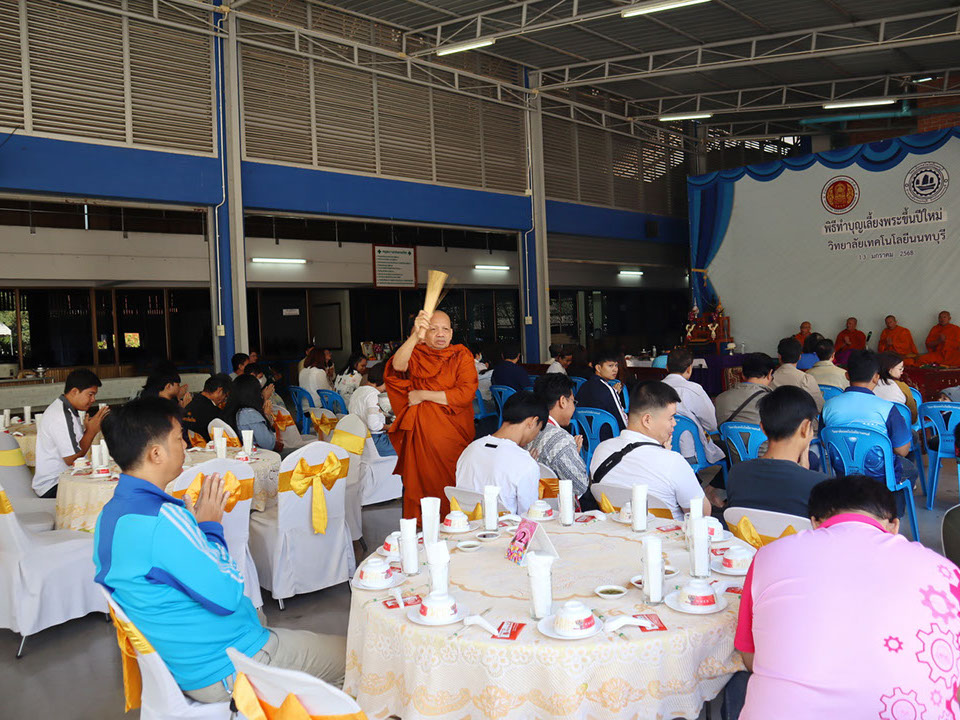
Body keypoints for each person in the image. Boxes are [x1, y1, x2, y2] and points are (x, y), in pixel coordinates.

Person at [93, 397, 345, 704]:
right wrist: (210, 526)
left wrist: (193, 531)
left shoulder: (110, 515)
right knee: (354, 657)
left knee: (260, 616)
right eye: (179, 439)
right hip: (225, 665)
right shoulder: (163, 520)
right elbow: (228, 594)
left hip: (183, 656)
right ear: (156, 453)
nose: (185, 446)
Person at [733, 475, 959, 718]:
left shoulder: (769, 555)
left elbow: (750, 657)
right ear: (894, 525)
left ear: (815, 522)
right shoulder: (947, 573)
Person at [384, 309, 478, 520]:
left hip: (453, 435)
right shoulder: (417, 353)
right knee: (423, 485)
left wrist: (423, 395)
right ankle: (425, 528)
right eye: (433, 329)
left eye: (445, 329)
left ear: (451, 333)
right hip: (423, 435)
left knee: (453, 484)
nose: (440, 334)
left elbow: (465, 394)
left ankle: (454, 524)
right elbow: (397, 366)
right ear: (425, 334)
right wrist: (415, 336)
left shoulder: (461, 355)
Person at [590, 381, 710, 521]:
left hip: (615, 531)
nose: (674, 423)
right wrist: (666, 456)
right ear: (647, 420)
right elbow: (703, 512)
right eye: (671, 417)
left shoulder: (602, 450)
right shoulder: (672, 462)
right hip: (666, 533)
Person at [821, 349, 916, 513]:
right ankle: (892, 516)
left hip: (843, 472)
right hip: (880, 478)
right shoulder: (887, 408)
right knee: (910, 469)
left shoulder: (829, 406)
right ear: (876, 377)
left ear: (847, 375)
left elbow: (824, 441)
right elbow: (902, 450)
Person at [726, 386, 825, 518]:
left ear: (762, 428)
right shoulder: (819, 484)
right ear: (805, 427)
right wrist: (805, 472)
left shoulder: (736, 473)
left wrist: (803, 471)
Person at [455, 391, 545, 516]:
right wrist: (528, 466)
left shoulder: (470, 449)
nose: (535, 436)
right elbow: (529, 515)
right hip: (505, 527)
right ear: (533, 422)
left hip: (466, 525)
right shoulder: (526, 463)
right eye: (538, 429)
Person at [33, 368, 109, 498]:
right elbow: (72, 458)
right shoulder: (61, 415)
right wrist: (91, 431)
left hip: (64, 478)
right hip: (53, 484)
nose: (93, 399)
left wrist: (87, 431)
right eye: (90, 394)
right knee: (104, 491)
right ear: (74, 391)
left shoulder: (67, 409)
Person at [528, 373, 588, 500]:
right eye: (573, 401)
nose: (574, 407)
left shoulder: (527, 428)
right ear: (562, 401)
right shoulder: (561, 439)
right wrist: (574, 455)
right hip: (557, 506)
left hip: (531, 500)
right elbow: (581, 485)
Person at [662, 348, 725, 465]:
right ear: (689, 369)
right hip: (690, 452)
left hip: (662, 451)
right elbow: (712, 425)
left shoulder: (654, 389)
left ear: (667, 367)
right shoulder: (695, 390)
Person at [714, 353, 775, 457]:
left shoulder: (720, 398)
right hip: (768, 459)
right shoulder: (774, 401)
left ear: (742, 375)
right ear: (769, 374)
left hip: (736, 461)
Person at [347, 362, 395, 457]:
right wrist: (389, 427)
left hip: (359, 440)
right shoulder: (374, 395)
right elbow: (374, 425)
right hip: (375, 443)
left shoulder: (358, 391)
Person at [575, 349, 627, 434]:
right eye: (610, 366)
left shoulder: (584, 386)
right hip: (608, 438)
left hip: (585, 438)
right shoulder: (609, 390)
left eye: (616, 365)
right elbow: (622, 421)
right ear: (598, 368)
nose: (615, 370)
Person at [228, 374, 282, 454]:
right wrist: (267, 415)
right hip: (259, 454)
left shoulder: (234, 410)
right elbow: (269, 444)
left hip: (242, 453)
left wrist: (264, 399)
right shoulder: (250, 414)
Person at [771, 337, 824, 412]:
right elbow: (819, 407)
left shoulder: (769, 379)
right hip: (800, 418)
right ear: (799, 357)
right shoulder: (806, 379)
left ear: (779, 356)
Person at [182, 374, 232, 442]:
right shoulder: (214, 413)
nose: (224, 400)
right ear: (219, 391)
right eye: (225, 396)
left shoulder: (190, 405)